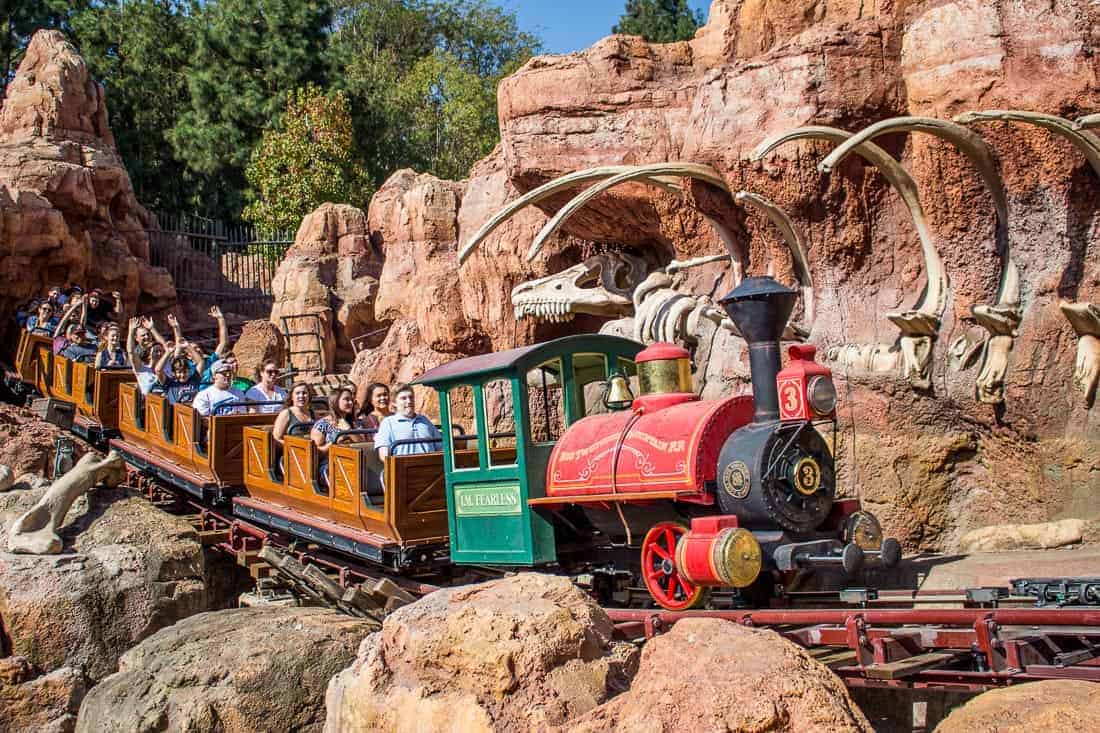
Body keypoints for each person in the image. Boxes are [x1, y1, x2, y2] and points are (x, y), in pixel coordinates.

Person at [375, 384, 442, 460]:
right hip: (403, 468)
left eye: (411, 397)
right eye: (403, 398)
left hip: (430, 467)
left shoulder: (424, 420)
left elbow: (440, 447)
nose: (409, 401)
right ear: (394, 403)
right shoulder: (388, 423)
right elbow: (384, 455)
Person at [311, 387, 363, 485]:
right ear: (335, 401)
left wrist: (349, 430)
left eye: (351, 400)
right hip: (330, 464)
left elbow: (363, 444)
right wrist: (334, 443)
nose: (351, 403)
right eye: (346, 399)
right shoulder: (323, 424)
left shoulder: (355, 424)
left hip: (355, 462)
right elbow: (316, 452)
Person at [272, 382, 315, 447]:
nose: (301, 396)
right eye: (297, 393)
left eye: (304, 393)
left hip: (312, 450)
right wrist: (295, 446)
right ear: (292, 397)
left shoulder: (313, 414)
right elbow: (276, 438)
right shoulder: (286, 414)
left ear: (309, 396)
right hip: (291, 452)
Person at [127, 317, 163, 395]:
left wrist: (152, 328)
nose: (146, 337)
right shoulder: (142, 367)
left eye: (148, 334)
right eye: (143, 335)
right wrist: (131, 331)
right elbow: (131, 352)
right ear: (136, 338)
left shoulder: (164, 363)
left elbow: (164, 346)